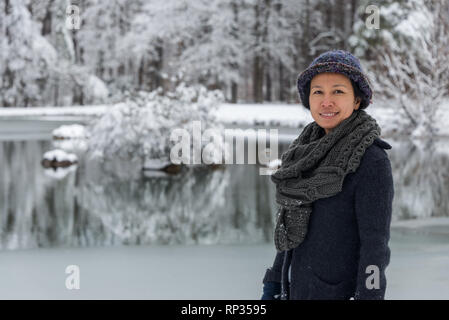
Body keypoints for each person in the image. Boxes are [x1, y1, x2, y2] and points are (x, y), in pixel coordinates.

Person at [260, 50, 394, 300]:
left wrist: (370, 296)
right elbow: (291, 233)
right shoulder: (302, 154)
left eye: (338, 92)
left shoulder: (371, 160)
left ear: (356, 100)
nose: (326, 101)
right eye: (318, 92)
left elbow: (375, 248)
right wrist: (274, 283)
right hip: (294, 291)